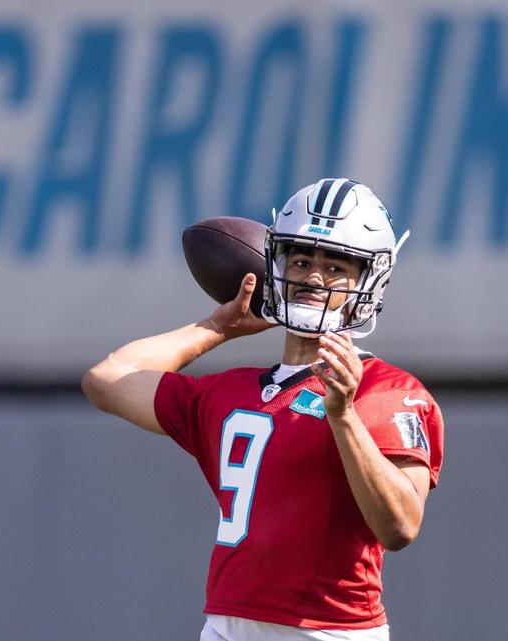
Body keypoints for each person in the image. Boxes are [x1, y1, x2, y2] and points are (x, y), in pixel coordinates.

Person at [81, 178, 444, 641]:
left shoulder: (388, 391)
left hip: (327, 633)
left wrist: (344, 415)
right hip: (225, 628)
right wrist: (216, 328)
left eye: (335, 267)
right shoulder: (230, 392)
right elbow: (107, 378)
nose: (313, 277)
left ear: (368, 282)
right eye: (300, 259)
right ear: (274, 263)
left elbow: (400, 526)